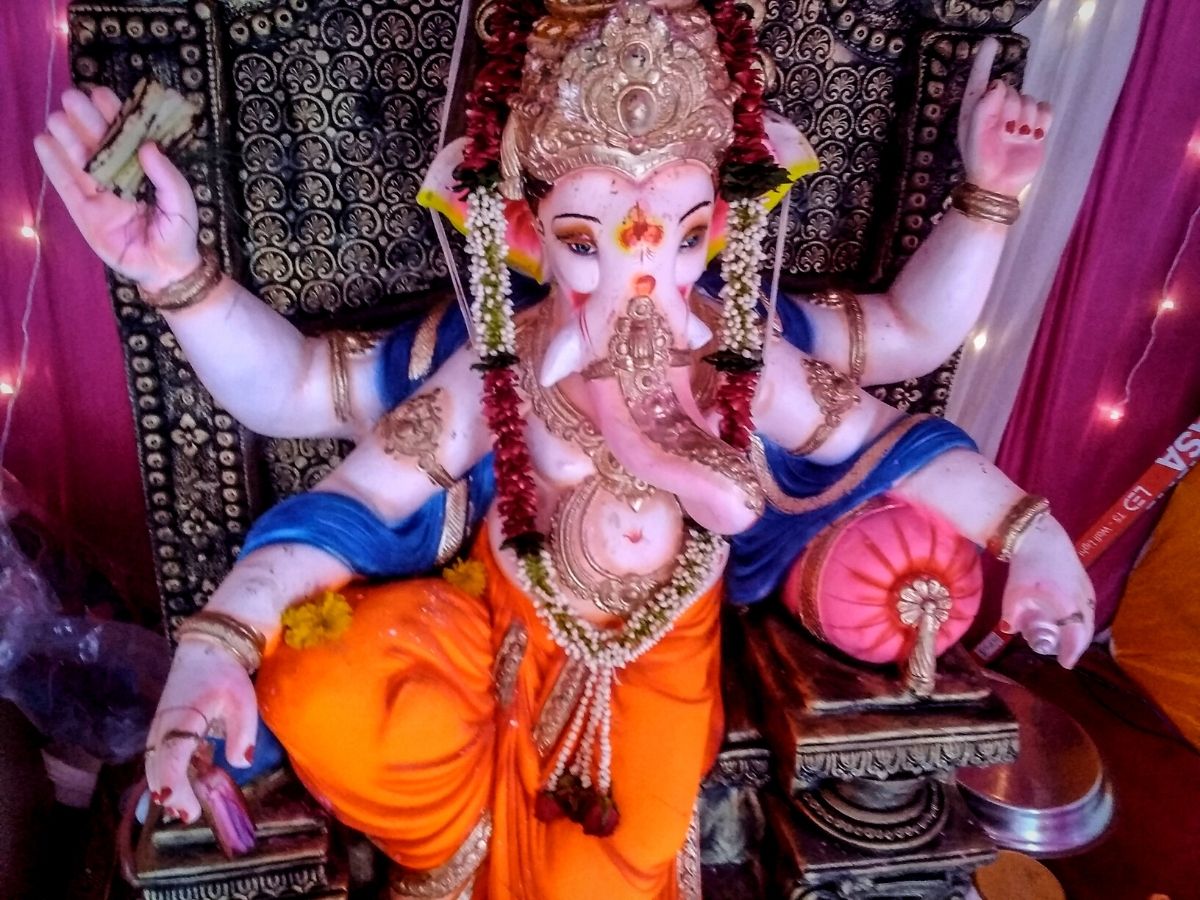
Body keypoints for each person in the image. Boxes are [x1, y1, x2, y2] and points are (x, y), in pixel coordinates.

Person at [34, 1, 1094, 896]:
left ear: (721, 221)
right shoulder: (497, 366)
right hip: (496, 632)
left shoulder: (733, 354)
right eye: (589, 244)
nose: (643, 284)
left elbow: (895, 423)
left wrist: (1031, 537)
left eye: (684, 237)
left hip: (661, 659)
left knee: (602, 879)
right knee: (324, 691)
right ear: (526, 230)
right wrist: (176, 278)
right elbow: (322, 443)